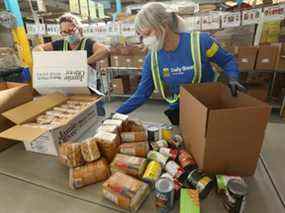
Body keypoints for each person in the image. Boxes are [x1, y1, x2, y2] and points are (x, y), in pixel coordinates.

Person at [116, 2, 246, 125]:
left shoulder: (200, 42)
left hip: (207, 106)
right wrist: (116, 115)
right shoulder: (152, 58)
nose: (145, 41)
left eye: (148, 34)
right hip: (179, 112)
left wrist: (233, 77)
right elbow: (142, 94)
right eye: (141, 37)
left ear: (164, 25)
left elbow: (226, 60)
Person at [34, 13, 109, 116]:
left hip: (90, 89)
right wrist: (49, 60)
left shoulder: (88, 43)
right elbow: (37, 49)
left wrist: (83, 62)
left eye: (71, 31)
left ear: (79, 29)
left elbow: (105, 51)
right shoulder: (60, 44)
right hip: (69, 89)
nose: (68, 35)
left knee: (96, 115)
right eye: (64, 32)